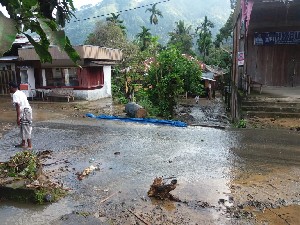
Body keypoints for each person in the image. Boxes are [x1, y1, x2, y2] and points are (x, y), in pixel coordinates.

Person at [9, 81, 32, 149]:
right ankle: (23, 143)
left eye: (9, 88)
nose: (9, 89)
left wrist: (18, 118)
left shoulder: (15, 94)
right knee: (22, 128)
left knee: (26, 128)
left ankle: (29, 145)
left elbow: (18, 106)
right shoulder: (20, 92)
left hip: (25, 112)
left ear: (11, 87)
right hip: (26, 111)